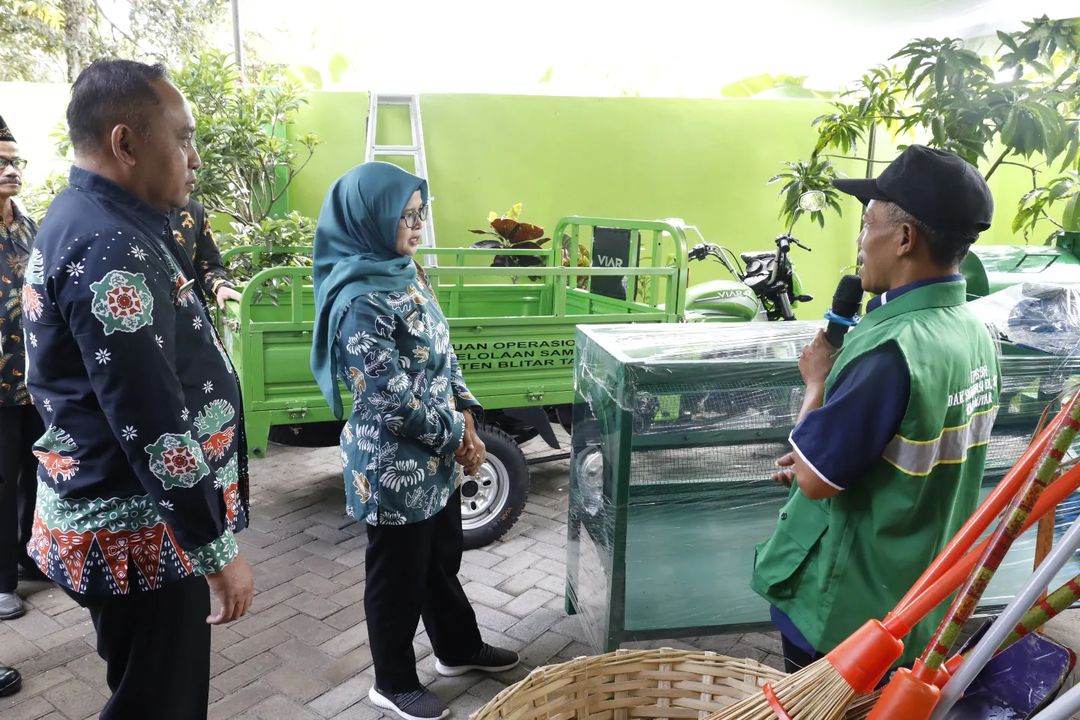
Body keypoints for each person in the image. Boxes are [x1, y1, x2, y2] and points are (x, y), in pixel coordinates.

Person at [22, 59, 254, 719]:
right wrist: (214, 548)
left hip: (128, 518)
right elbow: (151, 420)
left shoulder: (86, 216)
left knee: (148, 692)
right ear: (125, 143)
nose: (195, 158)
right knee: (160, 704)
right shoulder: (109, 245)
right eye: (182, 138)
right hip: (139, 532)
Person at [751, 145, 1001, 672]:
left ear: (905, 238)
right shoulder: (975, 333)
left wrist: (816, 384)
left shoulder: (892, 349)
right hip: (916, 597)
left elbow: (815, 482)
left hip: (845, 611)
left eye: (868, 225)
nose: (861, 242)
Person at [312, 161, 519, 720]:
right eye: (404, 216)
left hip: (438, 457)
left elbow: (444, 351)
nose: (417, 225)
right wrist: (460, 439)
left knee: (439, 562)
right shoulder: (359, 299)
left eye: (419, 213)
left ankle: (457, 649)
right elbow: (391, 400)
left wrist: (468, 417)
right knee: (397, 578)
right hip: (393, 466)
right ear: (369, 218)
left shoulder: (408, 272)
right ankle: (393, 681)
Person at [0, 114, 47, 627]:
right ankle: (1, 582)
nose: (11, 171)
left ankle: (29, 556)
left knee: (36, 471)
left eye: (15, 163)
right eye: (0, 163)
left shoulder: (29, 225)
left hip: (33, 379)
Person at [169, 198, 242, 308]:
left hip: (181, 309)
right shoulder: (139, 212)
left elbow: (209, 266)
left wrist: (220, 286)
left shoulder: (194, 211)